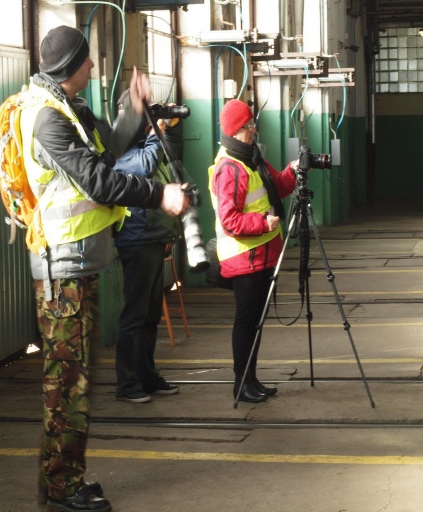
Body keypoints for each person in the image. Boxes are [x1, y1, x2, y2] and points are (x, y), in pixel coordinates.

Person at [23, 26, 189, 512]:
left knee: (75, 380)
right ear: (70, 65)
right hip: (61, 269)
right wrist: (161, 194)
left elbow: (106, 149)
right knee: (65, 381)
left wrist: (133, 111)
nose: (94, 68)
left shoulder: (70, 110)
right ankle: (59, 487)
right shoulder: (45, 118)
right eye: (88, 61)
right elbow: (97, 178)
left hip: (80, 263)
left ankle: (67, 478)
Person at [207, 99, 297, 403]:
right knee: (246, 321)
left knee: (256, 321)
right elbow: (229, 220)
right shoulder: (230, 168)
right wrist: (263, 223)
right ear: (235, 130)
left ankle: (251, 378)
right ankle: (241, 383)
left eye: (252, 124)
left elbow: (279, 187)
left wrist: (294, 171)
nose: (252, 130)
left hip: (262, 254)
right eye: (247, 126)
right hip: (244, 257)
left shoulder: (252, 158)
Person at [112, 92, 183, 403]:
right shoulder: (120, 147)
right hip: (136, 238)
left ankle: (146, 376)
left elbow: (164, 170)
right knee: (135, 314)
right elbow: (144, 165)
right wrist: (157, 135)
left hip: (155, 238)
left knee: (151, 314)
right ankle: (126, 384)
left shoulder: (150, 145)